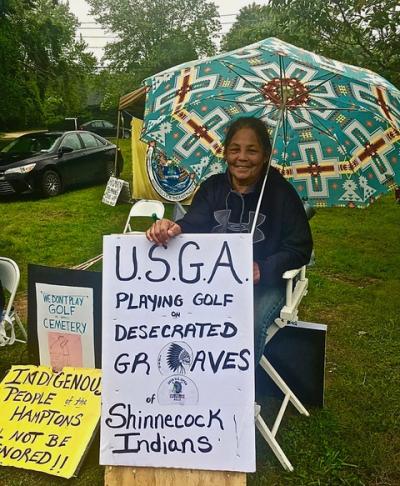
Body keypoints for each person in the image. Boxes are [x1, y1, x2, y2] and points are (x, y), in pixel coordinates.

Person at [146, 117, 313, 364]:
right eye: (235, 149)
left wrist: (263, 269)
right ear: (225, 153)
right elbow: (193, 224)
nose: (242, 157)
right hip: (213, 281)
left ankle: (239, 396)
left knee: (247, 323)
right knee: (174, 313)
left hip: (265, 286)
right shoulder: (212, 188)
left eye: (252, 150)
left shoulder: (283, 194)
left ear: (266, 154)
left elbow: (300, 248)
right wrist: (171, 227)